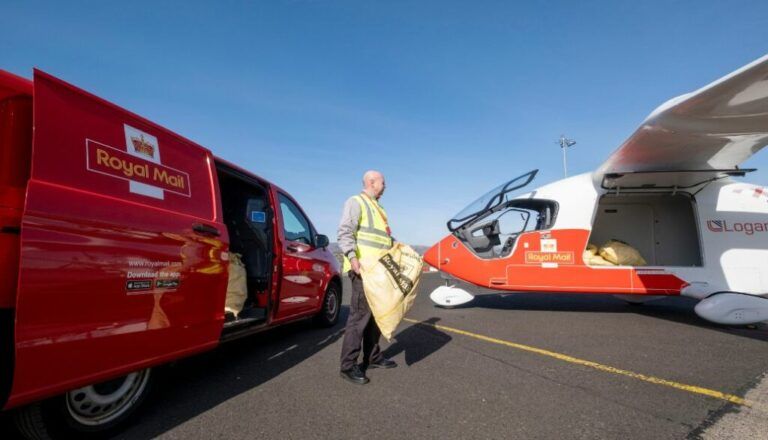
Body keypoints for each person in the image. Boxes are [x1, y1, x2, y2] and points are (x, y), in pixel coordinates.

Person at [338, 170, 398, 385]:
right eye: (383, 181)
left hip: (378, 271)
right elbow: (345, 232)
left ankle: (372, 357)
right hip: (362, 269)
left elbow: (383, 239)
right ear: (372, 182)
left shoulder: (378, 208)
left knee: (375, 315)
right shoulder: (356, 202)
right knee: (359, 317)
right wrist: (352, 257)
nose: (386, 185)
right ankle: (348, 366)